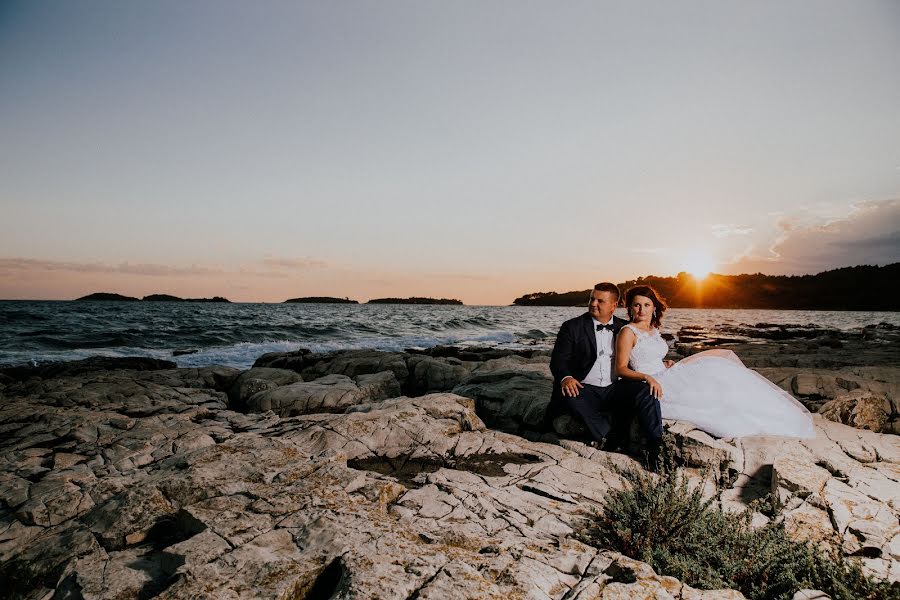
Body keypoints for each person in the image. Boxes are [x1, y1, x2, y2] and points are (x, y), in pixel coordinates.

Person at [615, 285, 815, 439]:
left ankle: (763, 413)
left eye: (647, 305)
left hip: (664, 373)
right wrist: (647, 377)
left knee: (716, 367)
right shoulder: (627, 332)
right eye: (637, 305)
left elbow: (651, 356)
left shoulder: (653, 330)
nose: (642, 309)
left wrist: (664, 363)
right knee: (708, 385)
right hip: (651, 382)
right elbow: (621, 369)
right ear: (630, 308)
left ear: (654, 307)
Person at [548, 282, 664, 454]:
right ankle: (609, 436)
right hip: (583, 387)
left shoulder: (625, 327)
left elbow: (638, 355)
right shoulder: (572, 327)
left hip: (614, 388)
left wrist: (662, 363)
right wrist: (566, 378)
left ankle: (656, 445)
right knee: (571, 397)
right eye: (592, 299)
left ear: (613, 305)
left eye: (600, 301)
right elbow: (558, 360)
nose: (593, 304)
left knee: (646, 391)